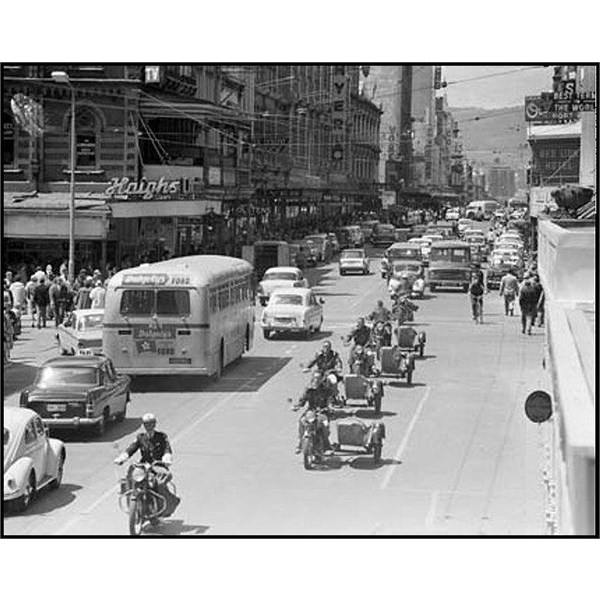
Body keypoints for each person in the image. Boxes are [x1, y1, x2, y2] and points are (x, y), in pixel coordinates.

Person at [114, 413, 180, 519]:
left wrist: (166, 458)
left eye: (151, 423)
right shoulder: (140, 437)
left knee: (159, 483)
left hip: (158, 465)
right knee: (130, 477)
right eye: (146, 424)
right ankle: (132, 502)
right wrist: (122, 458)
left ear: (154, 424)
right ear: (143, 425)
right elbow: (132, 448)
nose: (148, 426)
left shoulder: (162, 436)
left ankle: (164, 506)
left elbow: (167, 448)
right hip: (144, 465)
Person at [291, 371, 332, 454]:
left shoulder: (326, 389)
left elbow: (330, 400)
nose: (316, 380)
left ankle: (327, 445)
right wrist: (297, 406)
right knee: (302, 421)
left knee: (325, 425)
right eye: (315, 378)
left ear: (322, 379)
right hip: (311, 411)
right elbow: (302, 400)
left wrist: (330, 407)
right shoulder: (309, 389)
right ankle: (300, 443)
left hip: (323, 411)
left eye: (318, 378)